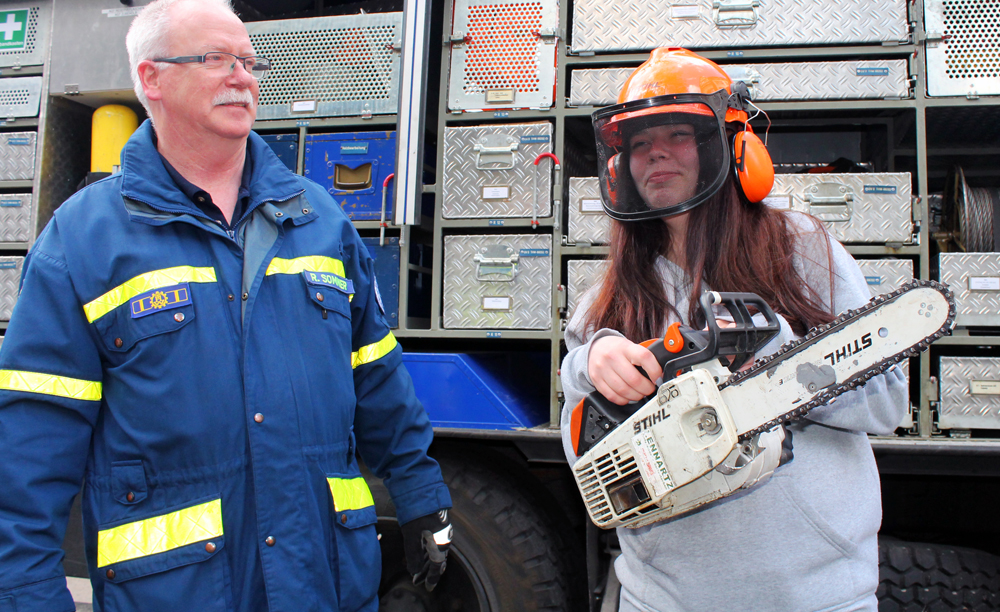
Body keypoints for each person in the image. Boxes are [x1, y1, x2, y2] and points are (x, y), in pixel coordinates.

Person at [0, 1, 451, 610]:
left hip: (323, 583)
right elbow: (29, 443)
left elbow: (374, 371)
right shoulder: (82, 241)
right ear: (150, 79)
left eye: (247, 60)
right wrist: (26, 592)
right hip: (179, 590)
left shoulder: (318, 218)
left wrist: (421, 490)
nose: (242, 75)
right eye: (215, 59)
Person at [560, 48, 908, 611]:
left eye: (676, 134)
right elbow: (581, 448)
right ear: (619, 166)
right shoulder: (611, 295)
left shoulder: (802, 251)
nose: (656, 156)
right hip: (663, 597)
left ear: (727, 146)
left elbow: (888, 402)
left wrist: (786, 365)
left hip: (816, 594)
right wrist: (590, 365)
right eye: (640, 144)